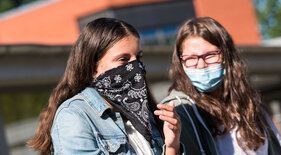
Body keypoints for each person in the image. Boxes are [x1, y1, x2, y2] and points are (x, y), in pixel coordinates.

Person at [28, 18, 182, 155]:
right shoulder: (75, 116)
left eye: (138, 57)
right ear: (94, 68)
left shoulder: (144, 113)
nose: (136, 67)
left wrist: (172, 147)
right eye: (123, 59)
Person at [160, 17, 281, 155]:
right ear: (180, 62)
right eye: (191, 58)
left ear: (226, 55)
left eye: (210, 55)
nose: (201, 65)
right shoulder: (180, 110)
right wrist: (172, 148)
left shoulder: (250, 102)